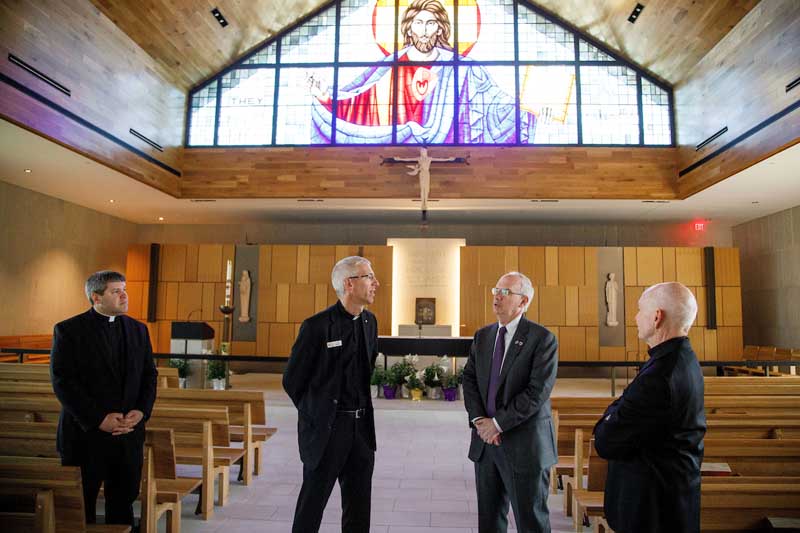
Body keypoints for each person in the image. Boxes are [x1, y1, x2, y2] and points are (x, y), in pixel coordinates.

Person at [309, 0, 536, 144]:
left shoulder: (464, 67)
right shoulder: (390, 65)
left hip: (450, 157)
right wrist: (326, 97)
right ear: (408, 27)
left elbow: (495, 104)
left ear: (440, 28)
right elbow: (359, 99)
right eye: (418, 24)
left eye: (431, 24)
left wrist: (529, 109)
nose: (425, 31)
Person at [593, 281, 706, 533]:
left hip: (652, 510)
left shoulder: (659, 375)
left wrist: (611, 413)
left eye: (640, 310)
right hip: (671, 500)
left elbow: (605, 440)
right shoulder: (682, 358)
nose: (635, 317)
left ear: (657, 317)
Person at [50, 270, 158, 527]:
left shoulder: (138, 330)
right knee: (81, 505)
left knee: (122, 502)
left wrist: (141, 412)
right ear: (96, 298)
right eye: (115, 291)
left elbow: (149, 376)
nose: (124, 295)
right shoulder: (69, 330)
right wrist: (99, 419)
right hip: (85, 435)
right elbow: (63, 382)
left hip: (128, 435)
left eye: (124, 289)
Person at [282, 256, 381, 533]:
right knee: (311, 507)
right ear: (349, 284)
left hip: (361, 430)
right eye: (369, 277)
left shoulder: (370, 323)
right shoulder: (316, 326)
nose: (376, 283)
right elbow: (292, 381)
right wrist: (317, 414)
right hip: (327, 431)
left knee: (359, 510)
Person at [462, 271, 558, 533]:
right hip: (486, 446)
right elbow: (469, 379)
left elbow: (537, 392)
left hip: (525, 446)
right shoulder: (483, 336)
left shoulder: (542, 339)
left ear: (523, 302)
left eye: (505, 292)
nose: (497, 296)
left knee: (531, 523)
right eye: (496, 290)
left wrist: (498, 424)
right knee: (490, 523)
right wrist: (480, 420)